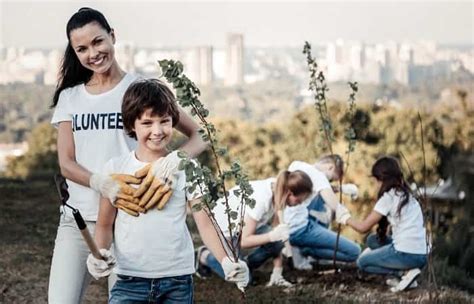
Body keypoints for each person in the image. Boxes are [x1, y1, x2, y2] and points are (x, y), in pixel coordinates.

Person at [49, 8, 207, 303]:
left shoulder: (140, 89)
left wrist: (175, 160)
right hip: (79, 222)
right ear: (74, 52)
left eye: (98, 42)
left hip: (129, 219)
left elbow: (202, 135)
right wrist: (101, 183)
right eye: (82, 48)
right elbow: (66, 163)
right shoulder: (70, 98)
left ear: (112, 36)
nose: (93, 53)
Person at [86, 79, 249, 303]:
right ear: (131, 125)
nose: (157, 131)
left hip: (177, 281)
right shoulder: (115, 169)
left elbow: (205, 223)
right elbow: (105, 224)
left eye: (164, 121)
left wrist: (226, 260)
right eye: (147, 123)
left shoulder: (187, 168)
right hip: (129, 280)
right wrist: (99, 254)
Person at [195, 170, 313, 287]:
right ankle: (204, 256)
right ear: (289, 193)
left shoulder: (279, 190)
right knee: (245, 281)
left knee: (277, 239)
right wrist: (272, 236)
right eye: (298, 200)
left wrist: (278, 271)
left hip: (241, 229)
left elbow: (277, 233)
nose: (299, 204)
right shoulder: (261, 199)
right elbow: (244, 241)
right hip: (223, 233)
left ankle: (245, 266)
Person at [336, 156, 428, 292]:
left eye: (375, 181)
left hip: (406, 253)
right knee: (372, 240)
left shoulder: (388, 198)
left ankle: (403, 274)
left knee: (362, 263)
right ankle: (409, 272)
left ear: (382, 179)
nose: (375, 185)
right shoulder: (408, 195)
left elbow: (363, 227)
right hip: (422, 255)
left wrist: (344, 217)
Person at [285, 155, 361, 268]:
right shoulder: (319, 177)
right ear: (330, 167)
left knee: (318, 200)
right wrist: (355, 223)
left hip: (286, 226)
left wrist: (342, 189)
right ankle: (307, 251)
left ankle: (303, 250)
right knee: (355, 252)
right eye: (331, 179)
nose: (329, 181)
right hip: (301, 230)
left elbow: (321, 189)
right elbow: (334, 205)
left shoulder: (297, 165)